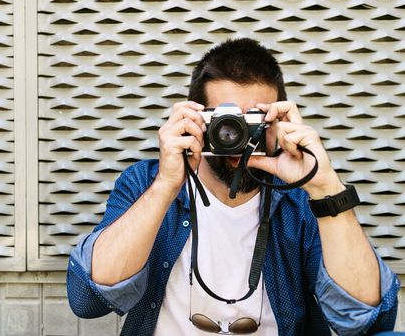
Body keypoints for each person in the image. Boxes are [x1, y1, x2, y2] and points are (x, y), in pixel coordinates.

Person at [66, 38, 399, 335]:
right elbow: (87, 301)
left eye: (253, 122)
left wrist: (324, 187)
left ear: (278, 122)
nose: (237, 137)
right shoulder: (145, 183)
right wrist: (167, 184)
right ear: (196, 119)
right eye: (226, 122)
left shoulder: (298, 199)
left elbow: (367, 321)